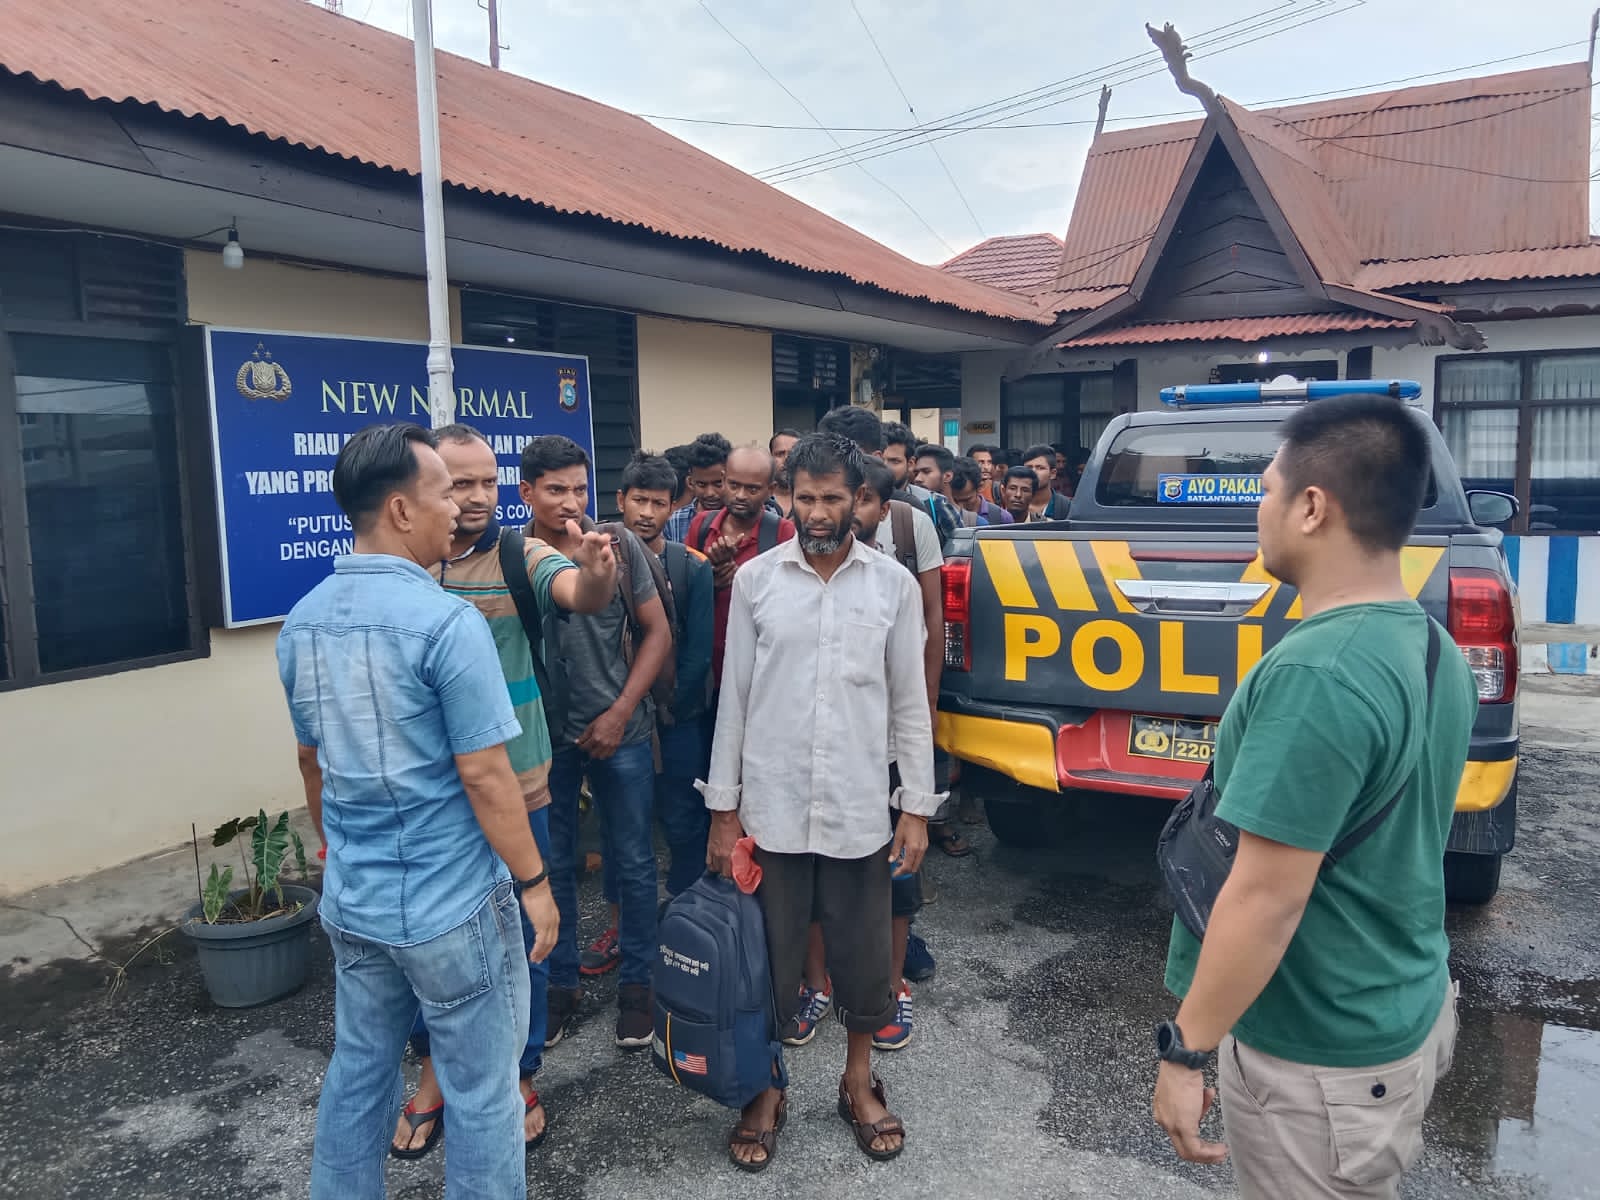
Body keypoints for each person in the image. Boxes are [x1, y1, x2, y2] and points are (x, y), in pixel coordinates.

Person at [1152, 394, 1476, 1199]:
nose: (1257, 510)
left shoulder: (1318, 673)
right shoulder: (1433, 645)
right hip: (1400, 1003)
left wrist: (1187, 1053)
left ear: (1311, 506)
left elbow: (1265, 898)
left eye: (1265, 490)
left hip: (1319, 1055)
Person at [281, 423, 590, 1199]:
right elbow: (487, 774)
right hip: (450, 903)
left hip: (355, 899)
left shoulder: (302, 622)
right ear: (399, 509)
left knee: (358, 1069)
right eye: (442, 493)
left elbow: (311, 763)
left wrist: (338, 851)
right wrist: (534, 882)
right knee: (484, 1091)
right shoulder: (446, 623)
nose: (459, 508)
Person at [701, 433, 943, 1171]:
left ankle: (857, 1082)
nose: (816, 512)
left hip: (859, 810)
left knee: (866, 959)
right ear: (787, 497)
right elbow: (734, 700)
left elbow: (909, 703)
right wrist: (723, 809)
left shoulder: (892, 587)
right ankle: (766, 1089)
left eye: (832, 498)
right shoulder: (757, 583)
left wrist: (916, 807)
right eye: (803, 497)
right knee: (769, 963)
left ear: (859, 501)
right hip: (771, 808)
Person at [389, 424, 615, 1162]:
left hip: (519, 781)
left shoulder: (521, 554)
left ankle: (517, 1074)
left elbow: (578, 591)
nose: (477, 496)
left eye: (488, 480)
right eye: (459, 483)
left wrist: (598, 570)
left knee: (526, 937)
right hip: (429, 792)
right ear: (423, 490)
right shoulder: (403, 566)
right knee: (432, 943)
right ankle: (434, 1077)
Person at [520, 435, 674, 1053]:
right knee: (550, 864)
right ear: (527, 491)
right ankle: (561, 983)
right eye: (556, 489)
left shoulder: (619, 544)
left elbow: (657, 632)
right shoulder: (515, 553)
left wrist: (621, 711)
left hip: (624, 731)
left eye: (579, 487)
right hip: (545, 737)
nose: (571, 501)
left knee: (633, 860)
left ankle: (638, 983)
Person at [687, 445, 796, 686]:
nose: (741, 495)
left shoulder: (783, 532)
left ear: (771, 490)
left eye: (752, 489)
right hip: (707, 668)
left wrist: (749, 582)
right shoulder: (702, 527)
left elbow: (792, 603)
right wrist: (708, 576)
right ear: (724, 480)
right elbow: (683, 595)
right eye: (734, 485)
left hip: (760, 669)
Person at [665, 432, 731, 542]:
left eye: (718, 483)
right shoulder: (673, 522)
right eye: (702, 484)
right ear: (690, 482)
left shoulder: (741, 520)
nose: (710, 493)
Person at [951, 455, 1012, 525]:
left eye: (967, 500)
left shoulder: (1002, 518)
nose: (960, 507)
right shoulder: (941, 516)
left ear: (980, 487)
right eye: (954, 501)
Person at [1021, 443, 1073, 520]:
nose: (1033, 472)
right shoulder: (1014, 504)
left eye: (1040, 468)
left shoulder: (1067, 507)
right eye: (1029, 467)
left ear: (1053, 474)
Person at [770, 428, 802, 518]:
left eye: (793, 453)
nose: (787, 460)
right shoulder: (759, 500)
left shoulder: (813, 500)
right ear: (770, 458)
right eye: (780, 454)